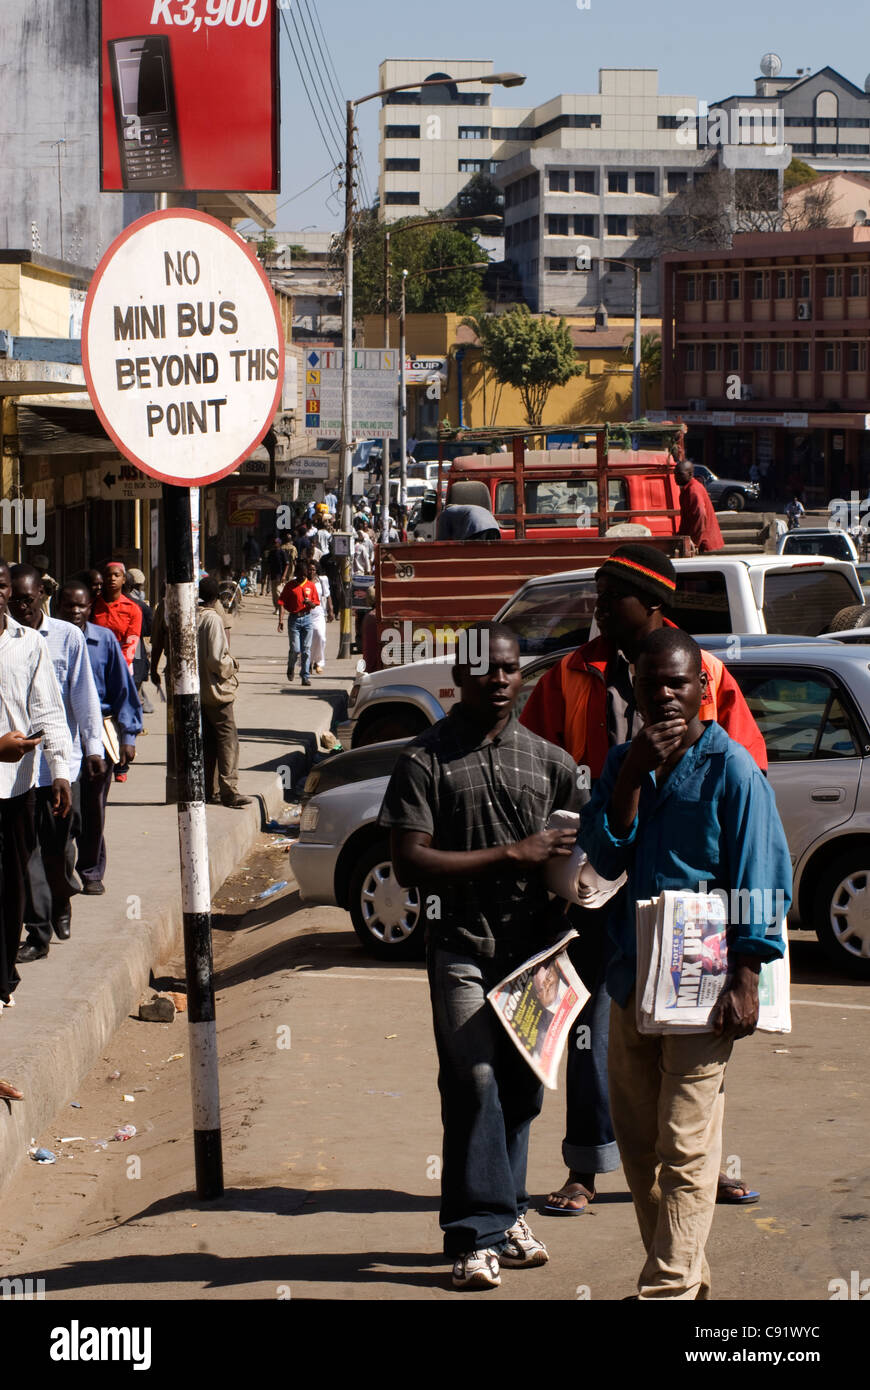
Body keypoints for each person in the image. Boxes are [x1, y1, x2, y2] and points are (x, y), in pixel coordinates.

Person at [520, 544, 767, 1214]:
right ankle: (587, 1166)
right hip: (598, 874)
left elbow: (748, 766)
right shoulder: (570, 673)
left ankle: (699, 1163)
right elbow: (531, 760)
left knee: (699, 1025)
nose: (595, 608)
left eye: (609, 597)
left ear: (652, 604)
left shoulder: (706, 673)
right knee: (593, 1021)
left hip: (686, 886)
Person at [578, 627, 791, 1299]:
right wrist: (633, 778)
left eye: (678, 683)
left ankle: (666, 1290)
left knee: (686, 1144)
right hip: (630, 980)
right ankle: (688, 1279)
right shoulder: (622, 764)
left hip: (705, 988)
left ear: (704, 689)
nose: (665, 696)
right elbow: (603, 861)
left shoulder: (732, 769)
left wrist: (748, 977)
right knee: (640, 1148)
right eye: (651, 684)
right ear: (635, 690)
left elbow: (762, 876)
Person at [378, 623, 581, 1290]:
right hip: (461, 948)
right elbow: (408, 863)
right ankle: (474, 1236)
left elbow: (578, 851)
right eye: (486, 671)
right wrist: (510, 855)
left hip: (537, 954)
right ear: (458, 679)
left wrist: (579, 886)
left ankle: (508, 1216)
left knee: (520, 1093)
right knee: (474, 1084)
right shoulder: (424, 761)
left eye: (509, 670)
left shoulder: (549, 761)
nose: (499, 682)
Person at [9, 565, 104, 959]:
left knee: (59, 849)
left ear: (41, 598)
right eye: (12, 600)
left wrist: (94, 747)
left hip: (60, 766)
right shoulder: (7, 641)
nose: (19, 607)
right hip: (16, 771)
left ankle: (62, 898)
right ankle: (38, 931)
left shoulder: (67, 638)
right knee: (27, 853)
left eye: (26, 601)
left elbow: (83, 697)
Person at [0, 559, 71, 1006]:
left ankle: (4, 972)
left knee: (11, 885)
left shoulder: (28, 644)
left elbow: (48, 710)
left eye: (0, 584)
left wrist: (60, 769)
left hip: (17, 789)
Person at [57, 578, 142, 895]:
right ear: (58, 607)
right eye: (69, 605)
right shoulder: (47, 639)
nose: (76, 611)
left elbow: (124, 690)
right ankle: (60, 875)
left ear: (89, 607)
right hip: (61, 735)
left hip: (100, 734)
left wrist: (128, 736)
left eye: (81, 606)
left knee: (93, 809)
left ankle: (91, 871)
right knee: (66, 809)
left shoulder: (104, 640)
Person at [197, 577, 251, 809]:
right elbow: (217, 660)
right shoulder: (212, 620)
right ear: (217, 598)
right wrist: (234, 665)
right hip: (215, 691)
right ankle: (229, 790)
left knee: (209, 741)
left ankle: (210, 789)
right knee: (228, 740)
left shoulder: (192, 617)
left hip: (196, 691)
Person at [91, 560, 142, 672]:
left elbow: (132, 641)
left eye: (116, 575)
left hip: (122, 664)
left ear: (123, 579)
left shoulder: (132, 609)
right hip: (95, 662)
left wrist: (121, 665)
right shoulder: (93, 605)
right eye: (108, 575)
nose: (112, 578)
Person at [276, 566, 320, 688]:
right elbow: (282, 603)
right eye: (300, 575)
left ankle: (305, 676)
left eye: (304, 575)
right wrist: (280, 620)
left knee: (306, 649)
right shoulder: (290, 585)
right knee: (295, 649)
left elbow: (315, 603)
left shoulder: (311, 586)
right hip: (294, 619)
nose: (302, 577)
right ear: (296, 574)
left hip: (307, 619)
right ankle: (291, 667)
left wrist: (309, 603)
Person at [674, 460, 724, 554]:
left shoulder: (693, 490)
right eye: (675, 474)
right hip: (700, 544)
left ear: (690, 474)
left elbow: (700, 515)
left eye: (680, 474)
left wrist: (693, 542)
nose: (676, 477)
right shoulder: (689, 488)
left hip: (703, 546)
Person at [307, 559, 333, 675]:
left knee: (321, 637)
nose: (311, 572)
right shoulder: (302, 581)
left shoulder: (322, 580)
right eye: (309, 569)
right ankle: (308, 662)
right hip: (306, 613)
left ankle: (319, 662)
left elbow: (327, 595)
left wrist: (330, 609)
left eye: (313, 569)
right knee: (308, 641)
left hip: (319, 612)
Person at [435, 503, 502, 541]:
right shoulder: (462, 510)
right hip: (494, 527)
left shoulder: (445, 513)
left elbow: (442, 539)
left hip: (477, 527)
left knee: (472, 556)